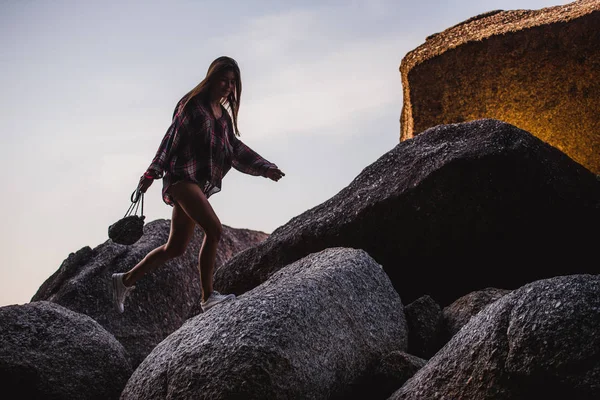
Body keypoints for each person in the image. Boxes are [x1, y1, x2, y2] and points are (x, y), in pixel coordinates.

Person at [111, 56, 285, 314]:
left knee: (175, 248)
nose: (227, 86)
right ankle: (208, 297)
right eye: (223, 80)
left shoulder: (223, 118)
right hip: (182, 179)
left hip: (197, 184)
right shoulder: (193, 105)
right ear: (211, 78)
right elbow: (170, 140)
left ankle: (123, 281)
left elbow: (235, 149)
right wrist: (150, 174)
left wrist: (265, 168)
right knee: (214, 230)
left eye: (232, 82)